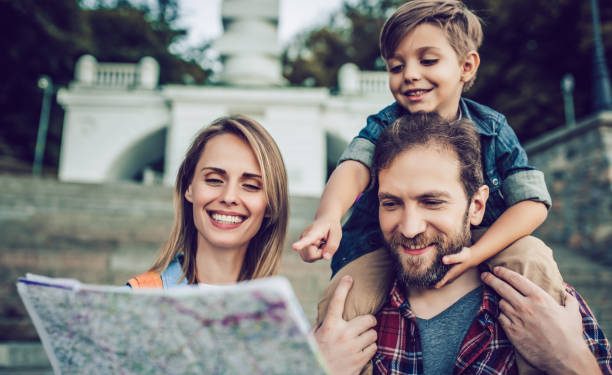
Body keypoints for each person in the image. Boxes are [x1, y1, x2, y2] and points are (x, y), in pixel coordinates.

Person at [295, 2, 565, 370]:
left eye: (427, 60)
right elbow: (353, 165)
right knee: (348, 291)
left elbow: (532, 201)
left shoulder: (493, 127)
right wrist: (327, 216)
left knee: (532, 257)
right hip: (383, 246)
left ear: (466, 66)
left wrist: (478, 251)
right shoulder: (384, 124)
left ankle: (548, 354)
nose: (409, 75)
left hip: (479, 238)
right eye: (396, 66)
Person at [314, 113, 611, 375]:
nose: (409, 227)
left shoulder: (546, 306)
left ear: (477, 205)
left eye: (432, 202)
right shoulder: (345, 328)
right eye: (391, 203)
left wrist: (571, 362)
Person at [128, 115, 288, 288]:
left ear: (271, 204)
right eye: (214, 180)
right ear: (189, 188)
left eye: (250, 185)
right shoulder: (135, 299)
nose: (229, 197)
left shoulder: (280, 312)